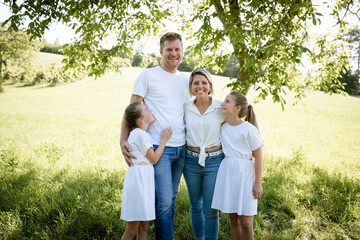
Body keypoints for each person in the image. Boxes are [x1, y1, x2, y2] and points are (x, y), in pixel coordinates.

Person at [120, 32, 189, 240]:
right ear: (161, 52)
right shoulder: (148, 75)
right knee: (164, 202)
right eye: (169, 49)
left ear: (182, 51)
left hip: (181, 147)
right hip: (159, 147)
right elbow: (130, 109)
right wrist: (123, 139)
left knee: (171, 199)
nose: (173, 53)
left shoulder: (185, 80)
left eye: (177, 49)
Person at [211, 91, 264, 240]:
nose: (223, 103)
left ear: (237, 108)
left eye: (227, 101)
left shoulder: (249, 129)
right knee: (233, 219)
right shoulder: (223, 127)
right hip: (228, 173)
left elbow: (259, 155)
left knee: (246, 222)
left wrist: (257, 183)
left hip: (246, 175)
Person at [121, 102, 173, 240]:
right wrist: (164, 140)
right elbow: (154, 159)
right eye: (146, 109)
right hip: (139, 182)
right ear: (141, 119)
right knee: (132, 229)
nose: (150, 110)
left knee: (144, 225)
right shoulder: (140, 135)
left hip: (145, 181)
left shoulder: (142, 134)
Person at [183, 69, 224, 240]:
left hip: (214, 161)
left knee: (211, 209)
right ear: (191, 87)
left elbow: (238, 123)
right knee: (195, 206)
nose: (200, 86)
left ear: (210, 86)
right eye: (196, 83)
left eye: (204, 82)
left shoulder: (220, 107)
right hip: (190, 161)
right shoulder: (185, 107)